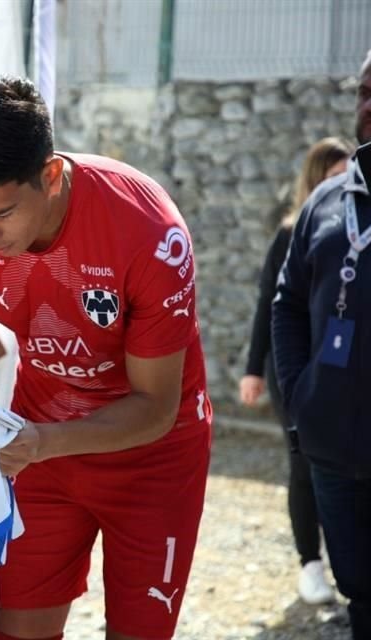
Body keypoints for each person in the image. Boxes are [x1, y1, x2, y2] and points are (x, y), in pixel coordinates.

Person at [0, 77, 212, 640]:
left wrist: (44, 441)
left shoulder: (148, 231)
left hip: (152, 456)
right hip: (40, 445)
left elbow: (154, 406)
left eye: (1, 215)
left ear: (50, 176)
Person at [272, 50, 371, 640]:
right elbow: (287, 303)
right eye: (362, 91)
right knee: (361, 594)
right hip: (333, 450)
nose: (368, 104)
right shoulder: (326, 203)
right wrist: (302, 401)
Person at [239, 136, 352, 605]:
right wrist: (253, 370)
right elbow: (271, 303)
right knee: (304, 465)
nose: (345, 186)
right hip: (296, 370)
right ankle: (310, 564)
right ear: (315, 181)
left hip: (341, 369)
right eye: (334, 178)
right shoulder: (292, 233)